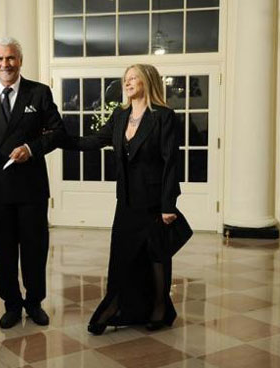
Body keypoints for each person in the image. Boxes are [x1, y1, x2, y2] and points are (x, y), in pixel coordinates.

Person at [61, 64, 192, 334]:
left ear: (148, 82)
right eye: (126, 79)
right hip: (127, 201)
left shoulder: (164, 116)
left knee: (156, 257)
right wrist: (58, 140)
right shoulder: (120, 115)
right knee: (122, 258)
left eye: (134, 78)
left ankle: (158, 308)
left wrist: (169, 205)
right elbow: (95, 140)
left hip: (155, 202)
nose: (128, 83)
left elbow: (171, 163)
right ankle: (114, 306)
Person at [0, 37, 65, 329]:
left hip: (31, 186)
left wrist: (32, 148)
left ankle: (34, 302)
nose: (4, 64)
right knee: (3, 250)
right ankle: (11, 304)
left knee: (35, 248)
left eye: (10, 58)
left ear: (20, 61)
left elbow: (57, 132)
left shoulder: (39, 92)